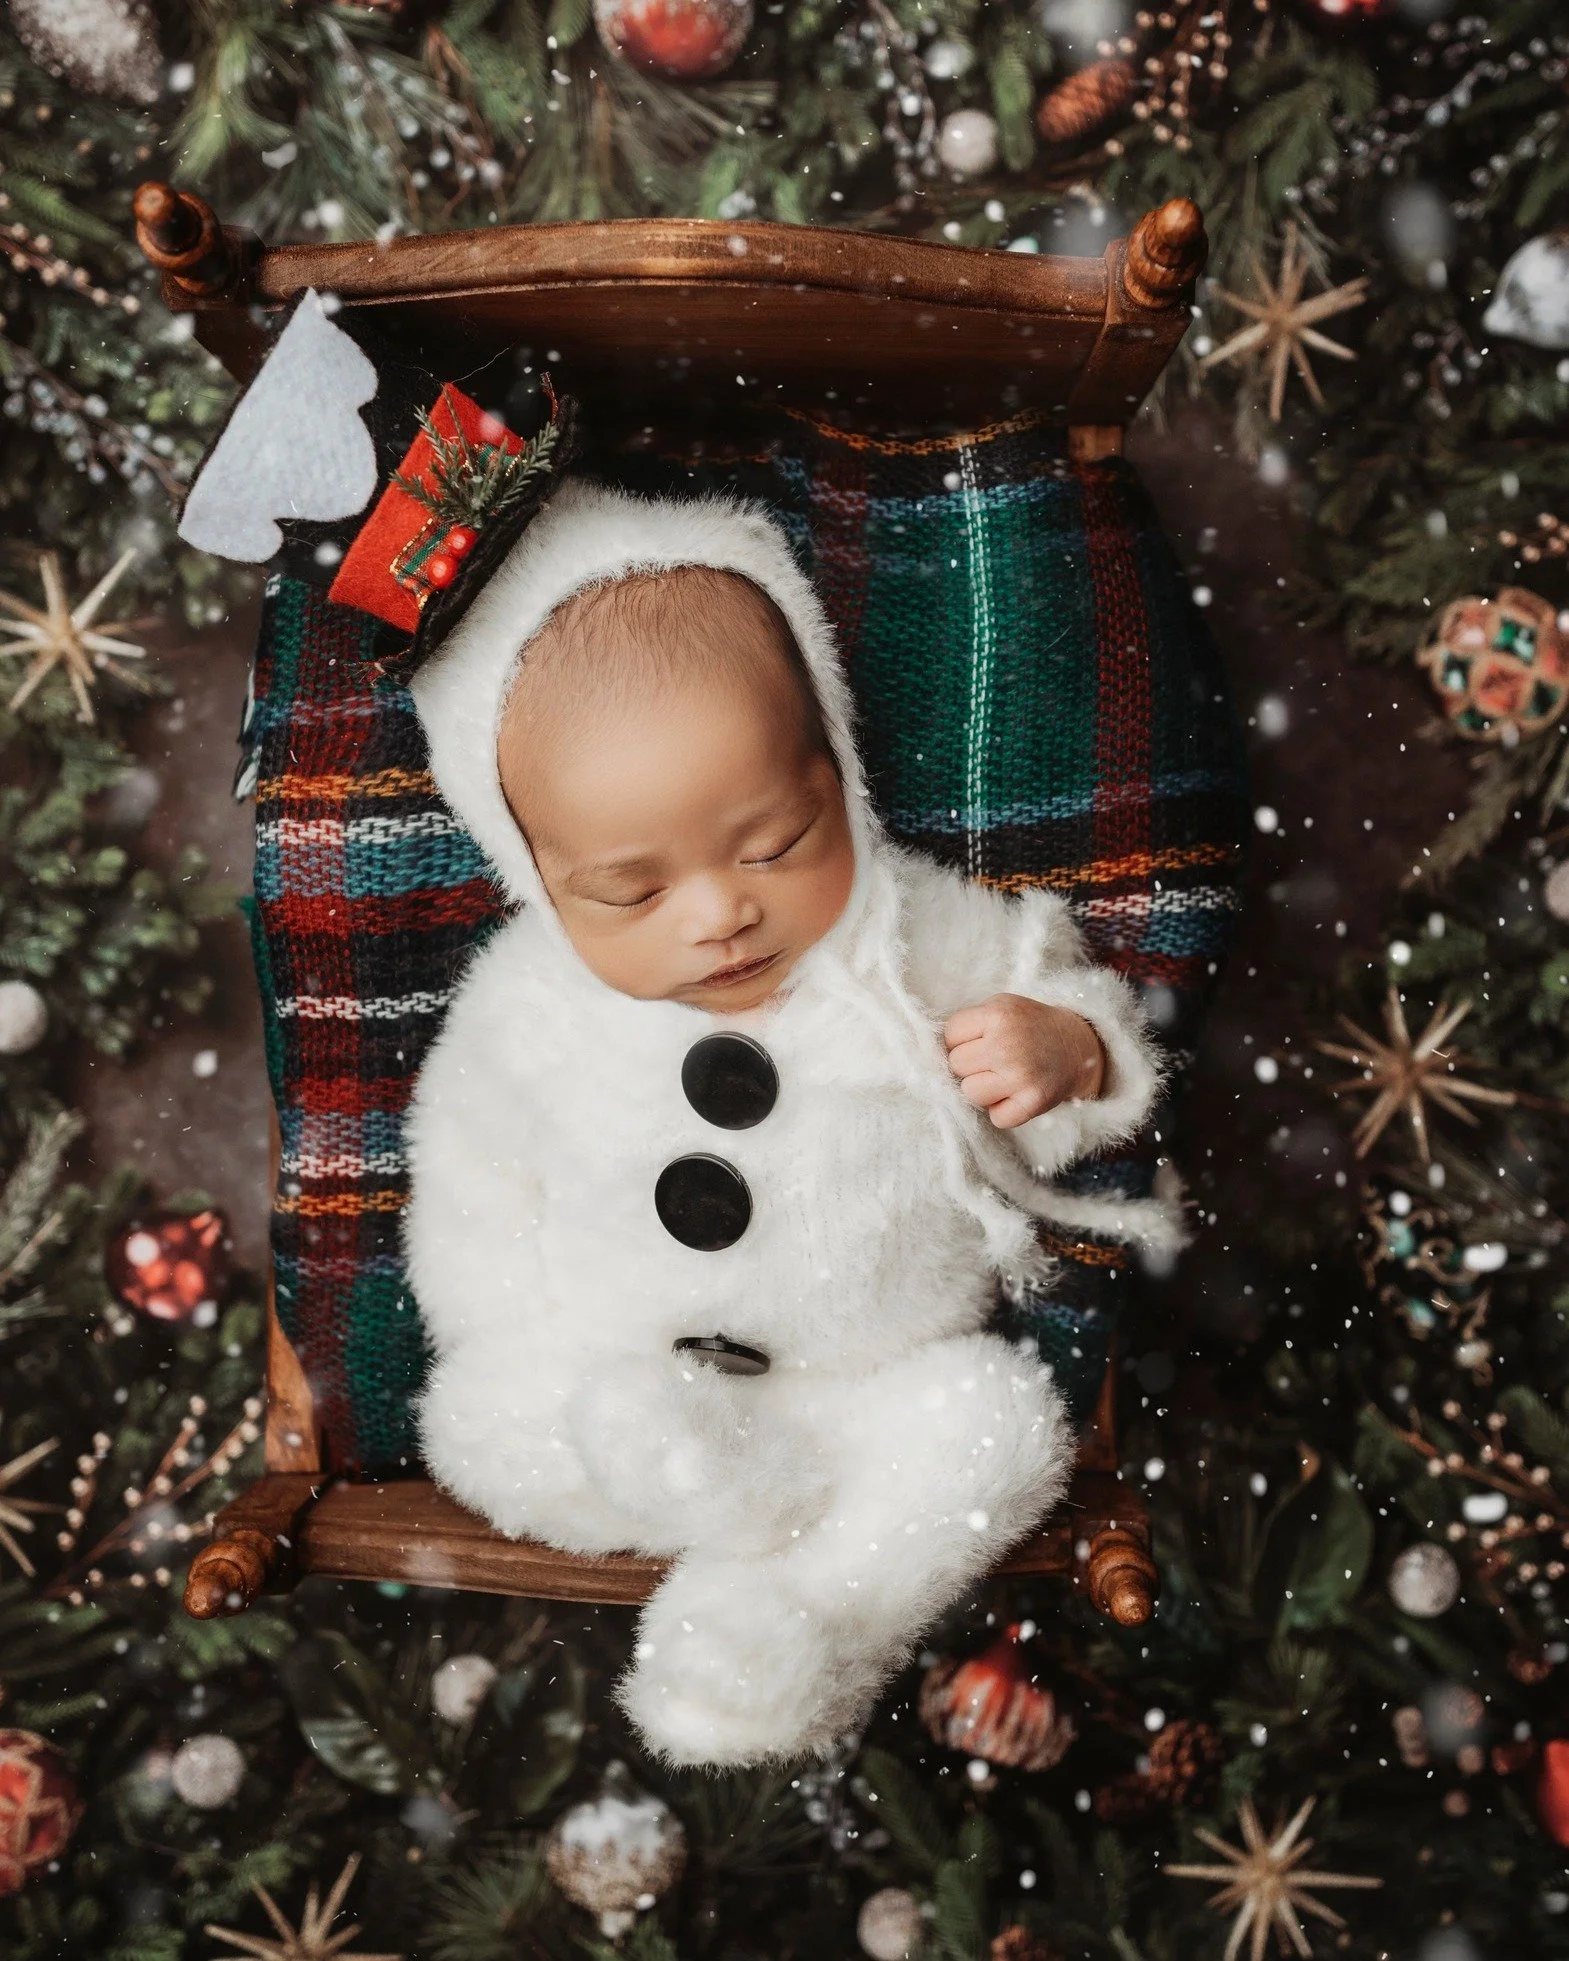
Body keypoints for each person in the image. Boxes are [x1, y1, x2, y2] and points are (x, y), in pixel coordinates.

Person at [404, 479, 1173, 1767]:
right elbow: (469, 1185)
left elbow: (1081, 1046)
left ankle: (797, 1611)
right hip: (620, 1383)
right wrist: (507, 1337)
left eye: (774, 843)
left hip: (873, 1385)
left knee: (992, 1426)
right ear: (529, 870)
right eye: (628, 890)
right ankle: (747, 1539)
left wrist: (1070, 1050)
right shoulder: (524, 1002)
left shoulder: (916, 930)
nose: (717, 915)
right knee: (486, 1416)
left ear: (840, 773)